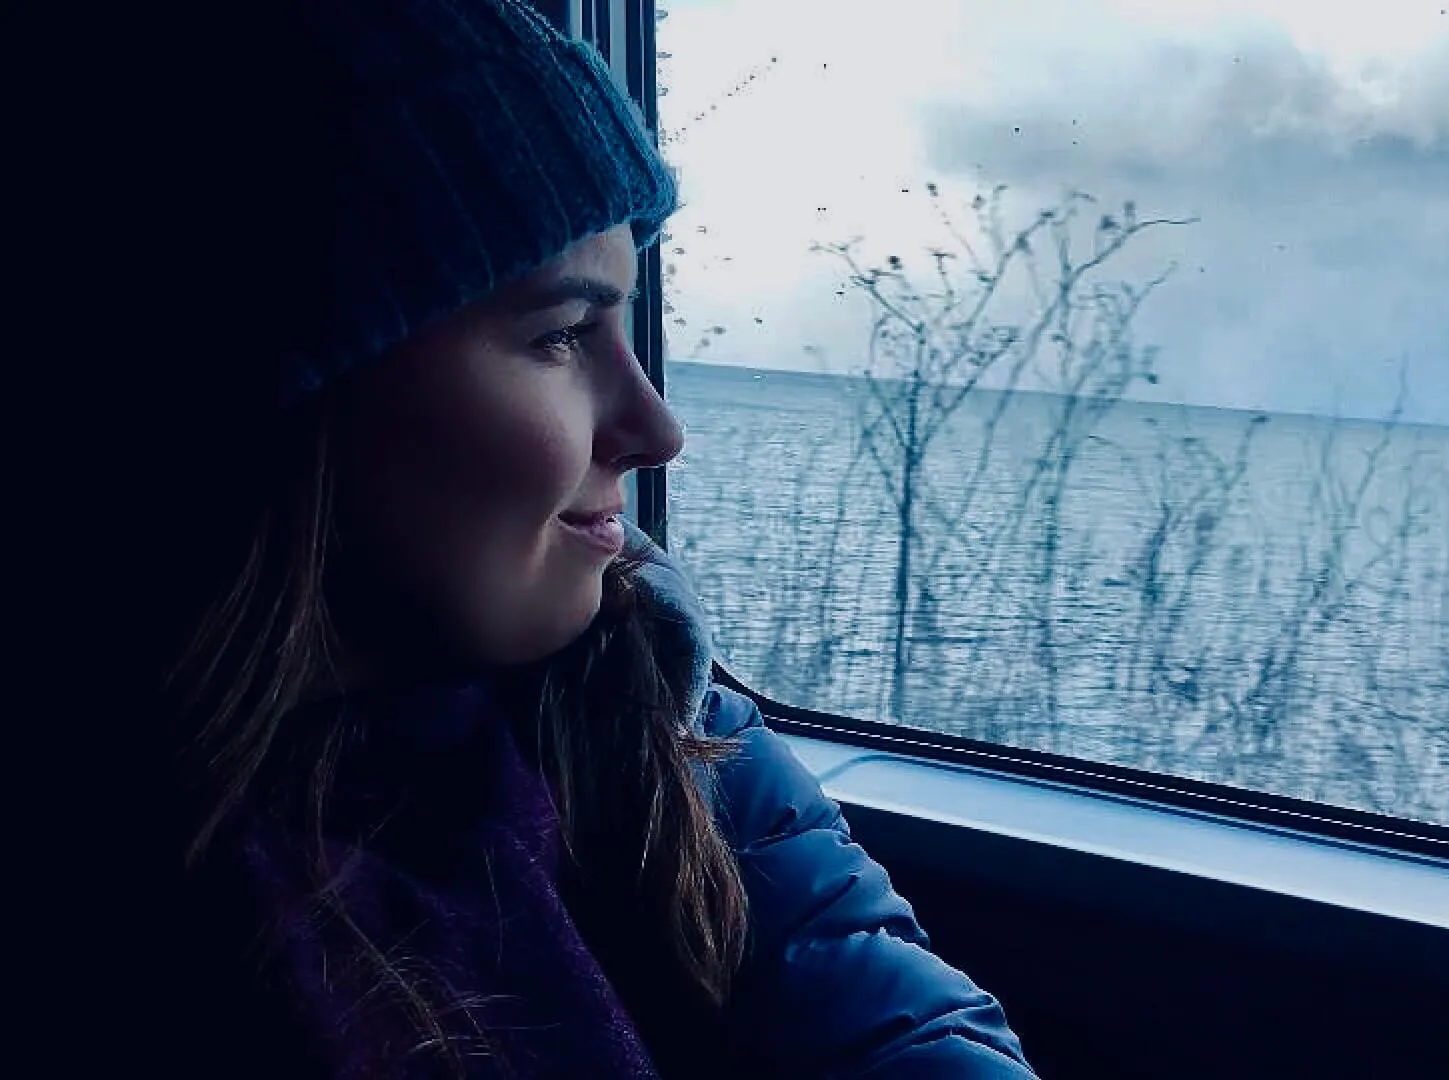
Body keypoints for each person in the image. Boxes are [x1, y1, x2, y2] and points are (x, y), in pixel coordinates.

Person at [79, 1, 1040, 1076]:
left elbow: (896, 1034)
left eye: (623, 326)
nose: (656, 429)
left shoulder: (650, 701)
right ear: (299, 400)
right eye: (562, 335)